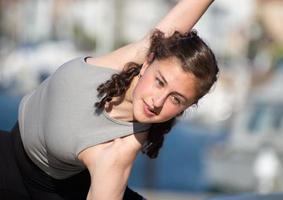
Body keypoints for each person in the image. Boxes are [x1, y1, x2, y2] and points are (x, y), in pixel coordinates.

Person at [0, 0, 217, 199]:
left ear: (185, 108)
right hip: (8, 148)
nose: (157, 101)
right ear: (148, 63)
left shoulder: (119, 151)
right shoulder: (131, 59)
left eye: (176, 99)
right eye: (160, 82)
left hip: (49, 193)